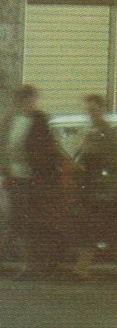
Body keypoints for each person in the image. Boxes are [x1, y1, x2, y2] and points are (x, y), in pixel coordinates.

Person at [70, 95, 117, 278]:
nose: (91, 114)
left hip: (105, 190)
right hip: (94, 189)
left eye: (94, 110)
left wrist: (88, 148)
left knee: (100, 230)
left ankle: (83, 269)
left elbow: (112, 161)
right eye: (89, 110)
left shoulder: (105, 131)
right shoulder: (91, 131)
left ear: (101, 110)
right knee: (106, 231)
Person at [6, 86, 63, 278]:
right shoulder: (11, 120)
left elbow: (48, 151)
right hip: (16, 179)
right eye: (25, 100)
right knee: (19, 222)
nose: (29, 103)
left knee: (37, 223)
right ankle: (26, 264)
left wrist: (28, 157)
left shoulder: (41, 120)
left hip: (36, 181)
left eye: (31, 100)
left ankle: (39, 265)